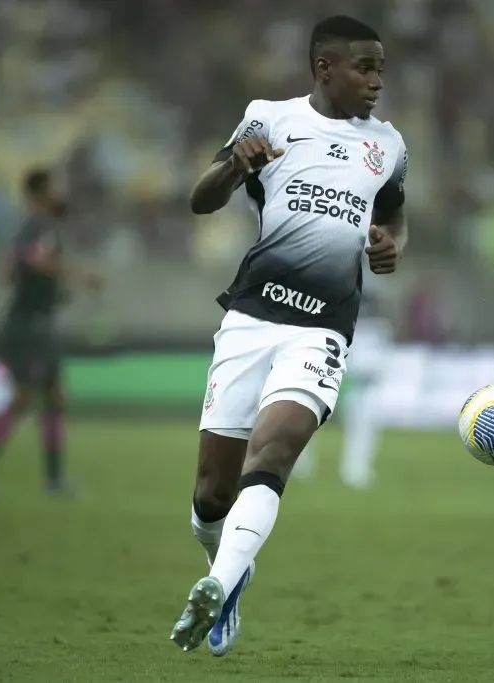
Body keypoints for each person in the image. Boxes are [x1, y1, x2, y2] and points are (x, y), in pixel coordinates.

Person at [170, 15, 409, 656]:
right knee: (211, 496)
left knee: (270, 459)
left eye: (382, 68)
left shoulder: (387, 144)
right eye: (366, 67)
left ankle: (216, 589)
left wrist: (391, 247)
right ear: (324, 67)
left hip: (323, 327)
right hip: (251, 320)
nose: (377, 80)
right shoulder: (267, 118)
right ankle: (230, 568)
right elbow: (200, 199)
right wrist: (230, 168)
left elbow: (393, 215)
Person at [0, 167, 100, 496]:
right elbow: (33, 261)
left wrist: (49, 289)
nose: (62, 191)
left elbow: (9, 271)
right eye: (56, 186)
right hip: (29, 324)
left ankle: (54, 480)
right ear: (41, 193)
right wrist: (76, 276)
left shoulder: (33, 228)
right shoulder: (38, 226)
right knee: (24, 397)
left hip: (37, 320)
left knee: (54, 397)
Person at [293, 266, 392, 489]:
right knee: (308, 404)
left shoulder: (371, 265)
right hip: (334, 329)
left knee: (363, 405)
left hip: (360, 335)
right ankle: (299, 461)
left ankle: (356, 469)